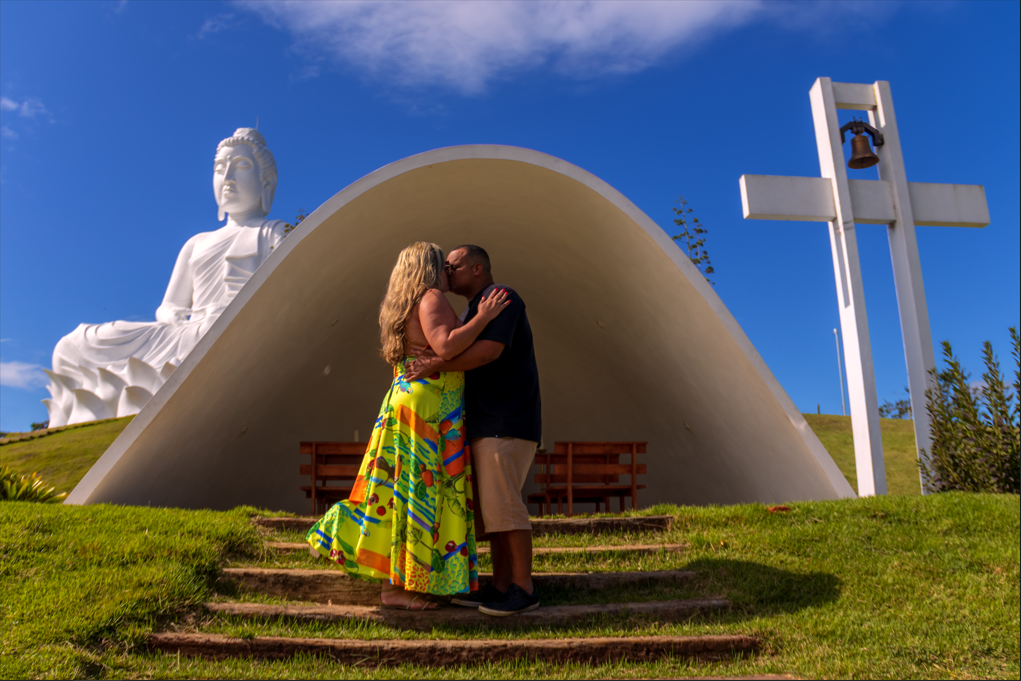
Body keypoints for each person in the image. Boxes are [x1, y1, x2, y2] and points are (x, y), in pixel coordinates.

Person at [306, 242, 510, 610]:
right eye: (442, 265)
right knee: (421, 495)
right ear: (429, 267)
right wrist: (483, 318)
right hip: (427, 407)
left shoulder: (402, 304)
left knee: (400, 493)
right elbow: (446, 346)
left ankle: (402, 585)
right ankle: (402, 588)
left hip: (405, 400)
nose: (447, 273)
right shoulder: (431, 297)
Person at [405, 244, 542, 616]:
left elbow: (488, 353)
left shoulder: (501, 298)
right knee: (492, 512)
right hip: (485, 424)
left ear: (477, 268)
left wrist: (435, 364)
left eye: (453, 266)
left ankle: (524, 588)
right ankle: (500, 586)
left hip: (505, 420)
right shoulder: (473, 309)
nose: (445, 272)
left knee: (505, 506)